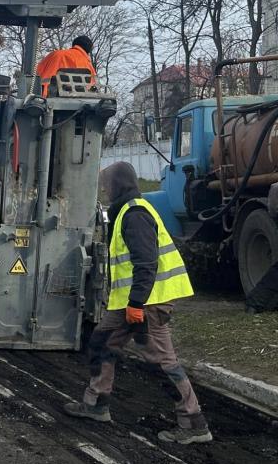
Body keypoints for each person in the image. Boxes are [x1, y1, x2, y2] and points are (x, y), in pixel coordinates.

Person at [63, 161, 212, 444]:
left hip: (148, 303)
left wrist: (136, 304)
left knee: (160, 362)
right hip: (130, 302)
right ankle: (96, 405)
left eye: (107, 184)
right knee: (102, 343)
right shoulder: (124, 213)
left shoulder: (136, 214)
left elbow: (146, 263)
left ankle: (194, 422)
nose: (105, 190)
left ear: (119, 184)